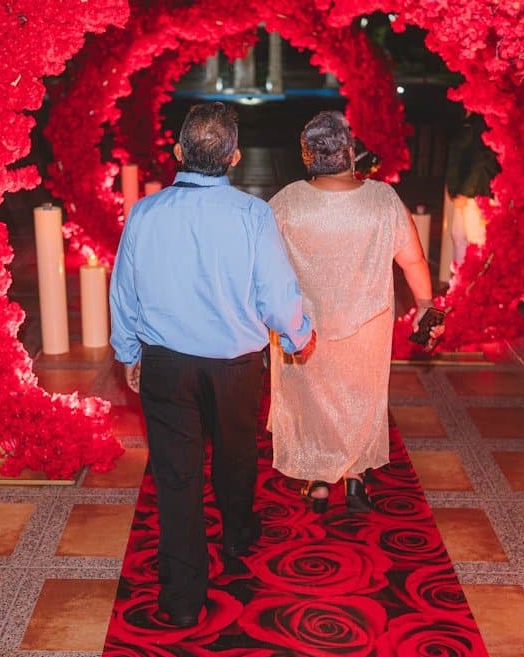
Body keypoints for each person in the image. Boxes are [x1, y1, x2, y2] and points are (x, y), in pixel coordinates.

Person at [109, 102, 314, 628]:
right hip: (234, 366)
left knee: (176, 477)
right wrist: (299, 334)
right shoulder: (253, 215)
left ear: (178, 152)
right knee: (235, 452)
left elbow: (124, 291)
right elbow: (275, 294)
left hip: (167, 363)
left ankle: (182, 598)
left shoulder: (144, 213)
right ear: (235, 157)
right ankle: (238, 533)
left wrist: (128, 351)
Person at [268, 110, 441, 514]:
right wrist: (425, 305)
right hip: (366, 326)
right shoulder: (382, 200)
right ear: (349, 152)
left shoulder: (287, 202)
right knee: (359, 398)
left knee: (309, 398)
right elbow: (413, 260)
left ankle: (318, 483)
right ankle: (355, 479)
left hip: (305, 328)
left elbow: (263, 267)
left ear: (308, 157)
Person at [444, 112, 498, 267]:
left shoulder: (479, 125)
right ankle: (462, 277)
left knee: (475, 240)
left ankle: (472, 279)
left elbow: (481, 160)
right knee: (459, 236)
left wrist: (464, 191)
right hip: (467, 192)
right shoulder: (471, 124)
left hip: (475, 193)